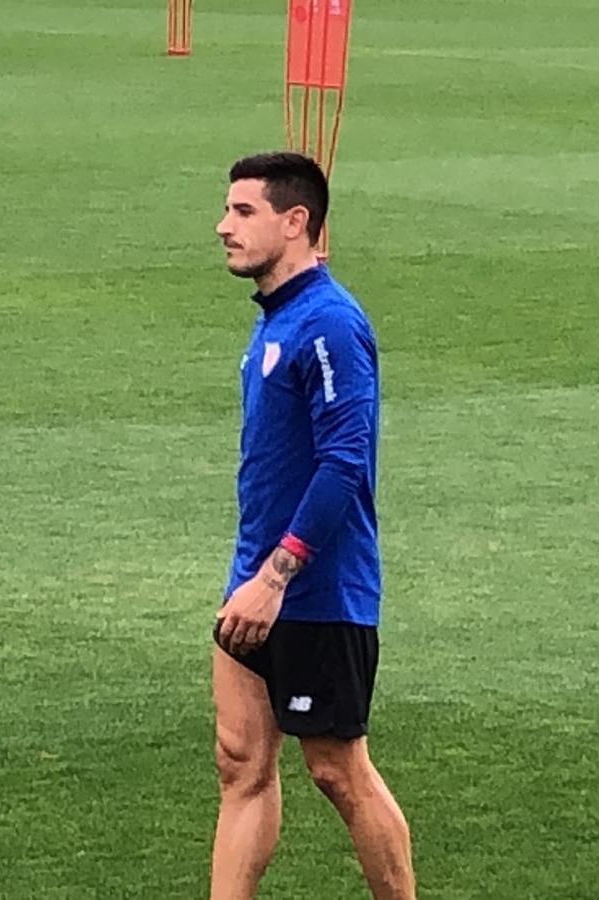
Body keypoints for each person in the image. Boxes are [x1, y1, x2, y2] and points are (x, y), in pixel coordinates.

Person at [209, 151, 415, 900]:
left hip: (316, 591)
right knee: (240, 762)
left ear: (297, 223)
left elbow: (344, 463)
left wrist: (275, 577)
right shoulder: (278, 320)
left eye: (243, 212)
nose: (223, 227)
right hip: (252, 581)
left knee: (337, 769)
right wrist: (250, 579)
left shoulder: (329, 323)